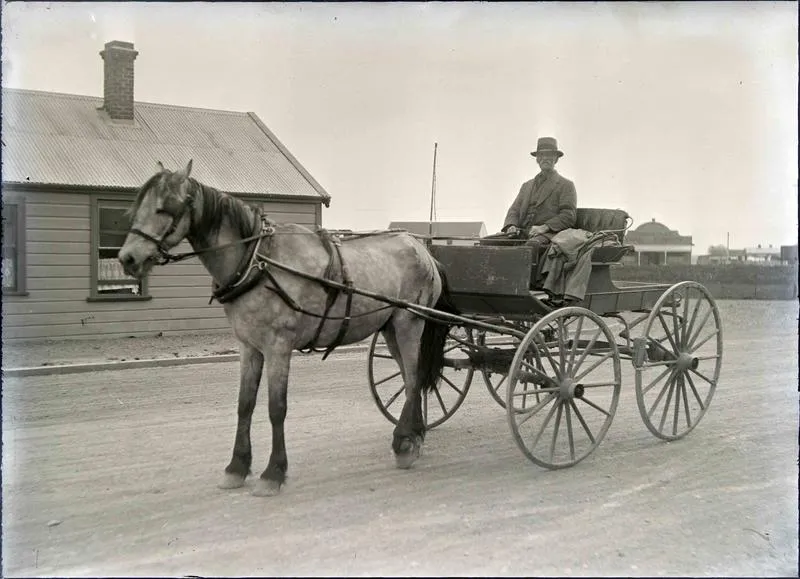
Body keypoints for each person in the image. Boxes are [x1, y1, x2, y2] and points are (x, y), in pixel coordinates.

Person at [501, 137, 577, 246]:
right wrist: (511, 225)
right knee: (487, 242)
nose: (545, 158)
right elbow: (514, 210)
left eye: (549, 155)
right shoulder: (526, 186)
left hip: (549, 234)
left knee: (530, 247)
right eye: (541, 155)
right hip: (521, 232)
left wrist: (544, 227)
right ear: (537, 159)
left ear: (556, 159)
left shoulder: (566, 185)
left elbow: (568, 215)